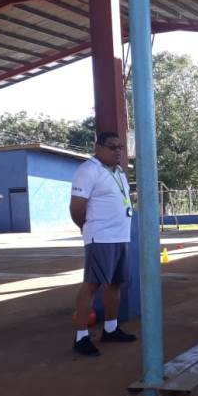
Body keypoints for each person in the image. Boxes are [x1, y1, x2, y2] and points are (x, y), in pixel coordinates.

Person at [69, 131, 137, 357]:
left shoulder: (119, 172)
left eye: (120, 147)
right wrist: (87, 227)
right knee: (92, 285)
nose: (117, 151)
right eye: (112, 147)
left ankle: (110, 329)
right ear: (98, 148)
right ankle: (81, 337)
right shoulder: (88, 170)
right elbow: (77, 208)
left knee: (115, 283)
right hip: (100, 237)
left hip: (121, 236)